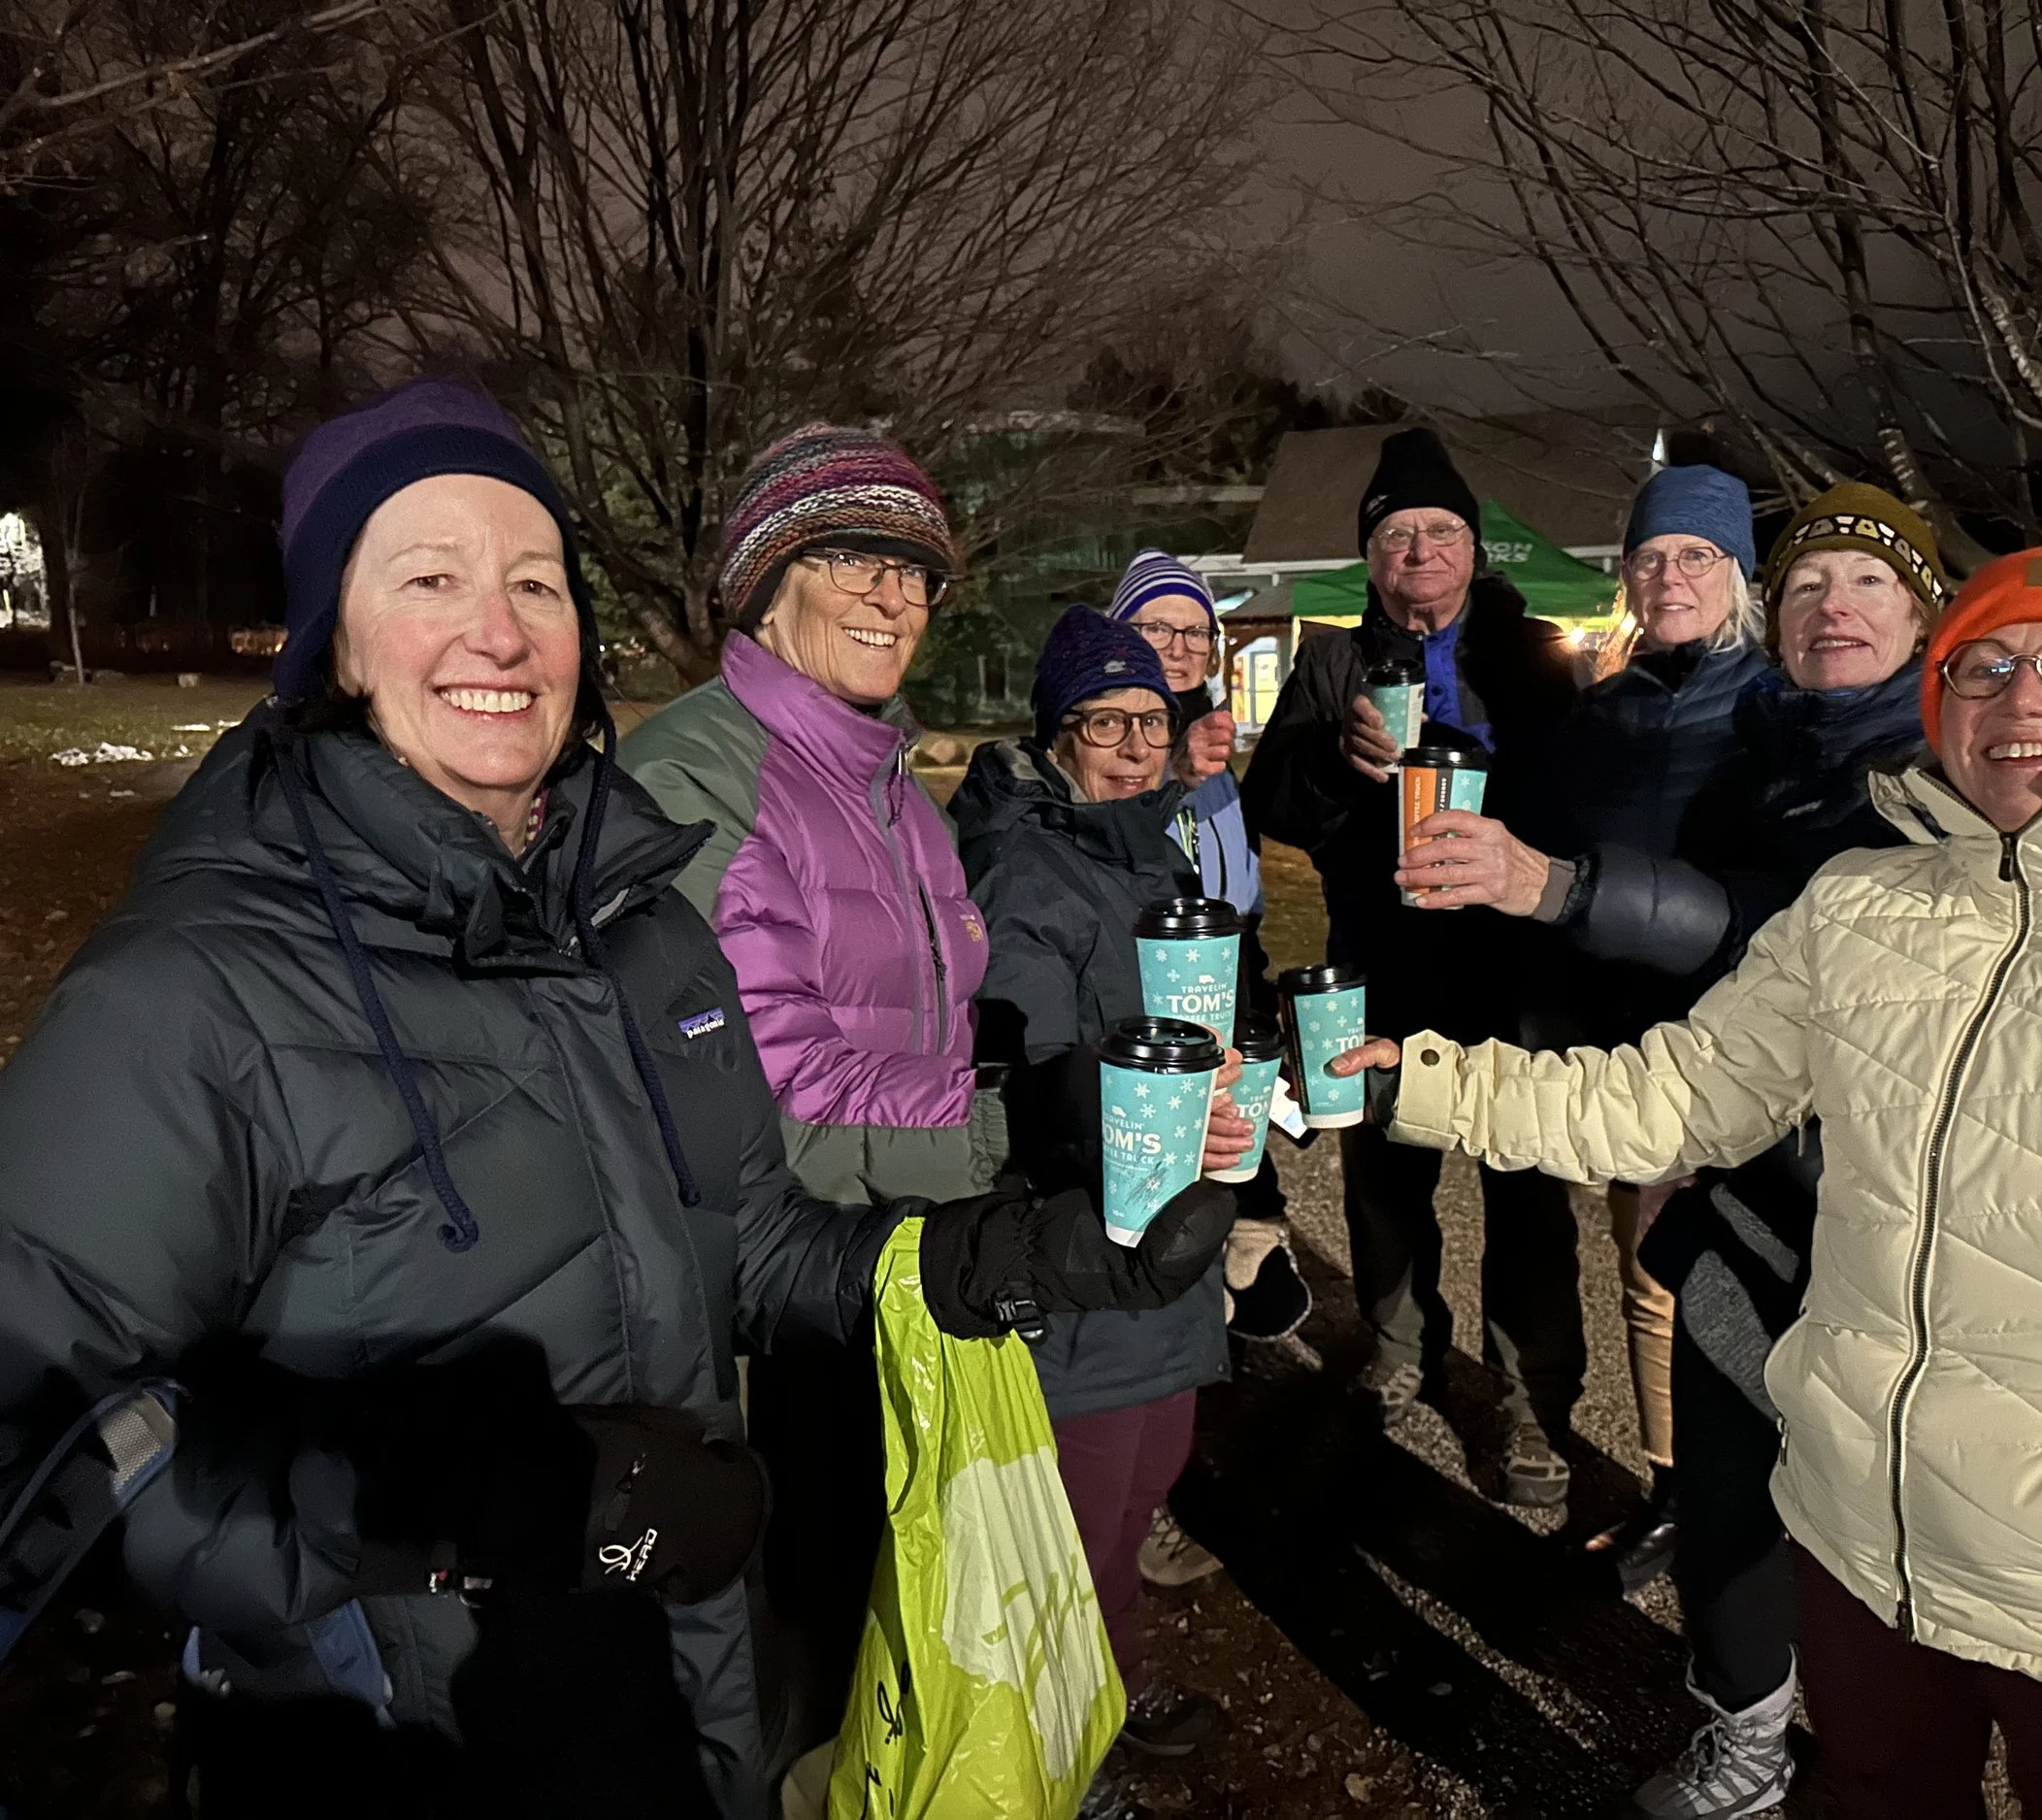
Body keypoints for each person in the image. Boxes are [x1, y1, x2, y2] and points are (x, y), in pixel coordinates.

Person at [0, 380, 1231, 1820]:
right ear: (330, 637)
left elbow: (753, 1238)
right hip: (402, 1745)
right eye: (428, 577)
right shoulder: (195, 991)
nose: (500, 629)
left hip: (668, 1686)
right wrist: (483, 1500)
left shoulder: (631, 927)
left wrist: (1009, 1253)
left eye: (535, 579)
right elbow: (46, 1447)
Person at [1337, 545, 2042, 1819]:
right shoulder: (1862, 903)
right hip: (1863, 1548)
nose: (2024, 699)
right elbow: (1670, 1095)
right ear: (1939, 698)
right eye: (1986, 665)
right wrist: (1415, 1078)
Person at [1398, 482, 1948, 1817]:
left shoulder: (1930, 756)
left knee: (1889, 1493)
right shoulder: (1713, 723)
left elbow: (1787, 925)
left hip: (1867, 1171)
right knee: (1706, 1385)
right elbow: (1535, 813)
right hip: (1686, 1089)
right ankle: (1748, 1722)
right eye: (1651, 554)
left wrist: (1562, 888)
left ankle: (1898, 1756)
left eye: (1866, 585)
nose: (1833, 608)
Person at [618, 424, 992, 1808]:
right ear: (768, 578)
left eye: (918, 569)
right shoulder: (701, 775)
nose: (896, 595)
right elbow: (768, 1082)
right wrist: (1016, 1131)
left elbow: (923, 1020)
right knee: (788, 1643)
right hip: (768, 1305)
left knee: (886, 1612)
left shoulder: (896, 784)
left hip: (886, 1254)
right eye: (854, 556)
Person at [1238, 427, 1584, 1506]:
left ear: (1474, 551)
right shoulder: (1332, 660)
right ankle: (1398, 1356)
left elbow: (1580, 801)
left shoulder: (1535, 655)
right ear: (1371, 559)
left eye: (1440, 531)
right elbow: (1270, 803)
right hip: (1380, 958)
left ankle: (1532, 1411)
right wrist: (1334, 765)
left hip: (1510, 966)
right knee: (1386, 1182)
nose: (1419, 552)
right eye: (1396, 535)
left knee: (1525, 1188)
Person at [949, 606, 1254, 1812]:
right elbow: (1022, 1059)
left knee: (1143, 1485)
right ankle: (1056, 1764)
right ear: (1056, 731)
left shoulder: (1155, 849)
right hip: (1086, 1224)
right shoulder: (1024, 865)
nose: (1132, 744)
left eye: (1150, 720)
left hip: (1167, 1218)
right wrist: (1147, 1106)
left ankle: (1106, 1695)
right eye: (1103, 721)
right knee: (1074, 1524)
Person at [1491, 462, 1775, 1583]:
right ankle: (1674, 1488)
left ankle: (1781, 1501)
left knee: (1775, 1285)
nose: (1670, 575)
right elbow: (1549, 872)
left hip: (1754, 1040)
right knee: (1653, 1274)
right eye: (1651, 556)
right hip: (1627, 1039)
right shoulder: (1596, 715)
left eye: (1696, 555)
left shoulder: (1776, 704)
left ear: (1738, 574)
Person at [1104, 551, 1312, 1591]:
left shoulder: (1220, 763)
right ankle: (1132, 1511)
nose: (1180, 650)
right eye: (1158, 631)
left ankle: (1172, 1465)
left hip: (1221, 1026)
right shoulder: (1119, 742)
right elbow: (1119, 869)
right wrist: (1167, 780)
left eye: (1196, 634)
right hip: (1144, 1053)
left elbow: (1238, 912)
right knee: (1147, 1263)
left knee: (1207, 1261)